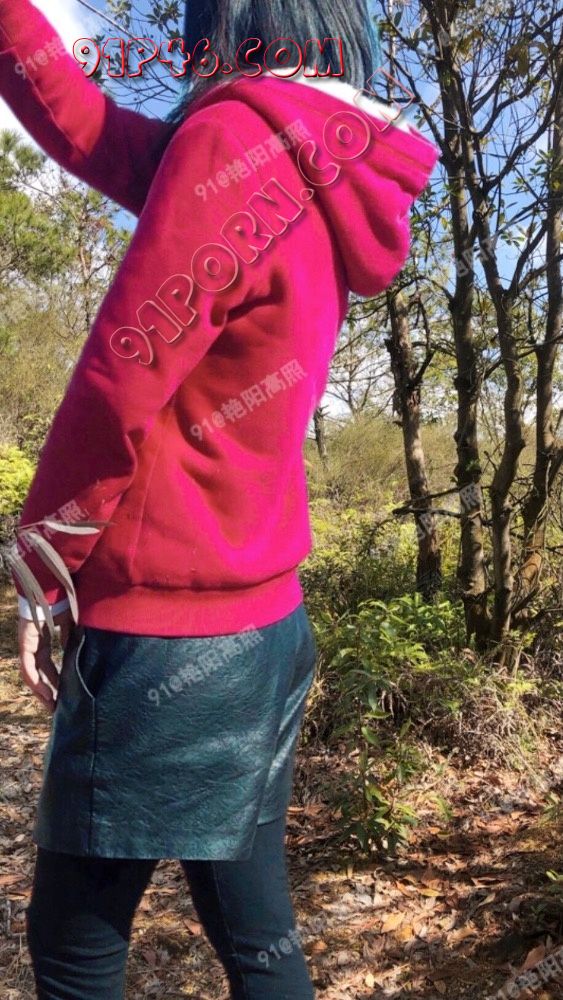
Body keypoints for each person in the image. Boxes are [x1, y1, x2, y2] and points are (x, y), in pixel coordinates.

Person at [0, 0, 440, 997]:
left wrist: (41, 560)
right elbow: (92, 131)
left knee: (74, 943)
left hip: (165, 635)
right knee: (254, 929)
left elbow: (123, 373)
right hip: (261, 624)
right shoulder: (308, 152)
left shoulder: (234, 138)